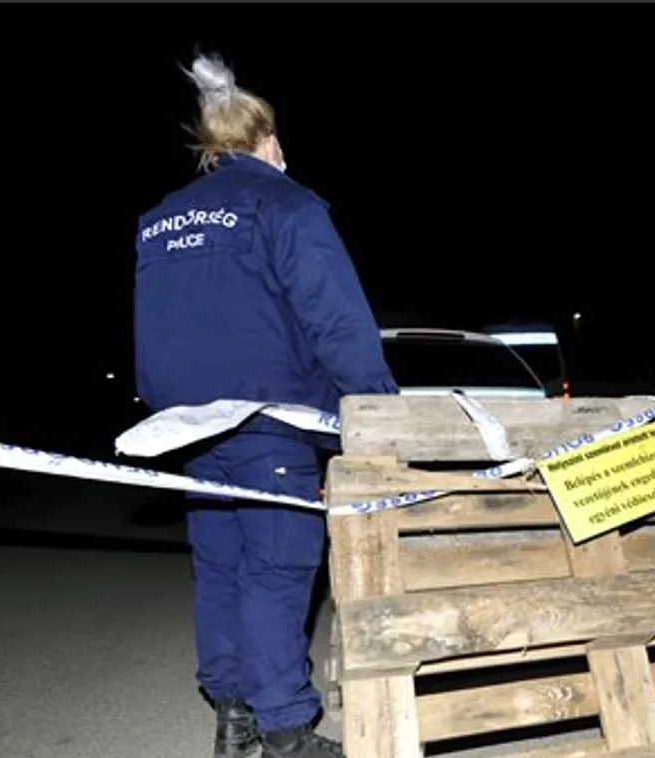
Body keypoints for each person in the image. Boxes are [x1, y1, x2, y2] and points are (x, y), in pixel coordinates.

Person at [133, 53, 398, 758]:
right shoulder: (287, 203)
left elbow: (155, 326)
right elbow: (335, 320)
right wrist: (376, 410)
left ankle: (234, 718)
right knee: (278, 567)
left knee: (219, 566)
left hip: (187, 428)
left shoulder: (159, 219)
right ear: (269, 141)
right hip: (270, 421)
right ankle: (286, 730)